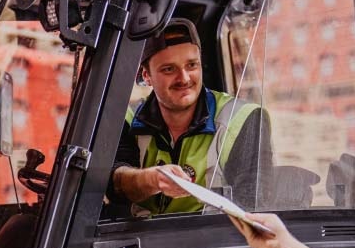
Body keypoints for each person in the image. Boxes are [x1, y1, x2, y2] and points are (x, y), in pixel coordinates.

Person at [109, 18, 273, 217]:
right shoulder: (127, 119)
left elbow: (253, 208)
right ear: (147, 76)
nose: (184, 78)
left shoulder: (243, 119)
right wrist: (152, 180)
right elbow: (115, 185)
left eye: (192, 65)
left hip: (213, 234)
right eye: (169, 69)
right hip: (143, 234)